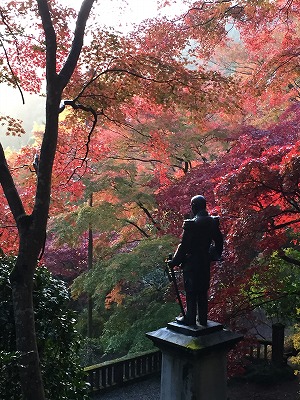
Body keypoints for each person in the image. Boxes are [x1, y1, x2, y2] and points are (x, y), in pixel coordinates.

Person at [168, 195, 223, 326]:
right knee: (202, 291)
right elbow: (219, 241)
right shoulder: (212, 222)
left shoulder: (191, 224)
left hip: (192, 262)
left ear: (194, 206)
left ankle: (190, 318)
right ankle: (203, 319)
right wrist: (213, 254)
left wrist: (174, 262)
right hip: (204, 262)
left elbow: (184, 246)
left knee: (191, 291)